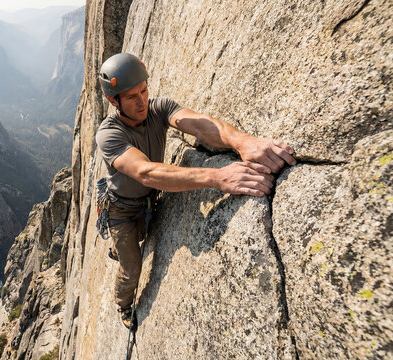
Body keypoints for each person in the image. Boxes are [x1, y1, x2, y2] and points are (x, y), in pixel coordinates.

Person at [95, 53, 296, 329]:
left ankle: (121, 247)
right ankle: (124, 305)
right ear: (112, 100)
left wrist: (243, 142)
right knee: (131, 268)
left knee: (140, 236)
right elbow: (145, 172)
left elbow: (201, 124)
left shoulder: (159, 108)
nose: (142, 101)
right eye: (131, 97)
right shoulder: (109, 134)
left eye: (144, 90)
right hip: (122, 210)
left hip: (146, 201)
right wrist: (218, 177)